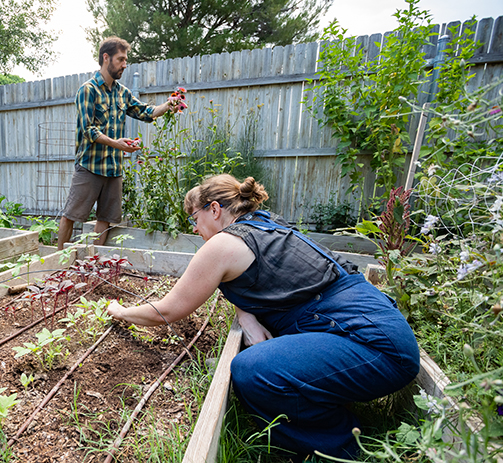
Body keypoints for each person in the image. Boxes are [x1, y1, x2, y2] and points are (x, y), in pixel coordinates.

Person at [107, 174, 420, 460]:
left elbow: (168, 310)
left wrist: (120, 311)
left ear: (214, 209)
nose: (193, 227)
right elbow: (259, 277)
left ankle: (341, 447)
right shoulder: (266, 223)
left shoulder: (222, 245)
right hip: (378, 326)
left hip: (377, 347)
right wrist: (246, 315)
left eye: (194, 217)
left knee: (252, 370)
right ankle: (331, 412)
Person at [56, 36, 172, 250]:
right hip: (90, 165)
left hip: (113, 168)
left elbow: (145, 112)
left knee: (105, 218)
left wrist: (168, 105)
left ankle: (92, 262)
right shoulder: (88, 90)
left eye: (126, 60)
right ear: (106, 58)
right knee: (71, 215)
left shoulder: (122, 93)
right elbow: (88, 130)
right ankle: (58, 264)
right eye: (121, 59)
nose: (124, 64)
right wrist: (116, 144)